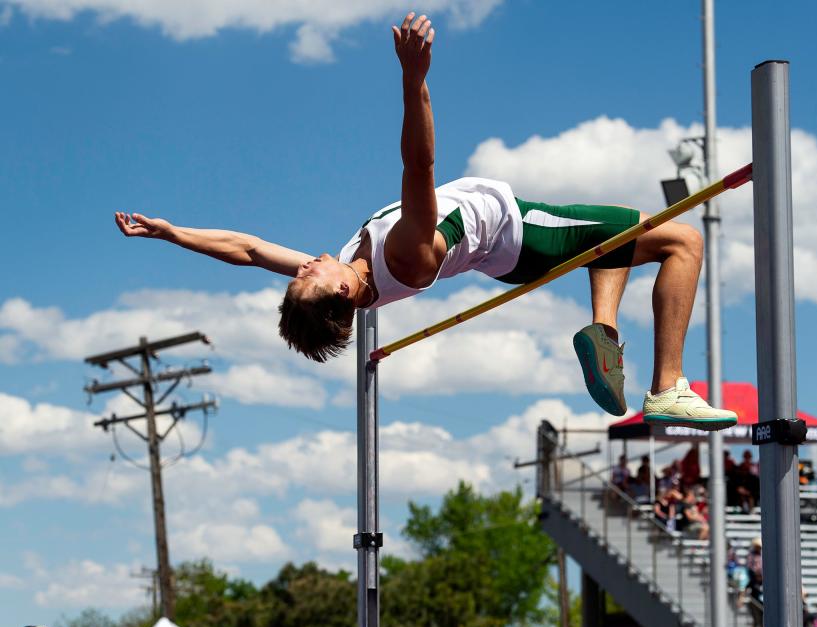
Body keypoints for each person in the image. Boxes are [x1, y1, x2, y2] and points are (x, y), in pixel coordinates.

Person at [113, 12, 739, 429]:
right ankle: (669, 384)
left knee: (618, 240)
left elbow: (247, 250)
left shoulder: (348, 272)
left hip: (514, 250)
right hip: (523, 230)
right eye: (308, 272)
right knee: (680, 239)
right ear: (340, 294)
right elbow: (419, 162)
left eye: (300, 268)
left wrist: (171, 234)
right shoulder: (402, 258)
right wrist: (415, 80)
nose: (304, 261)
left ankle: (603, 332)